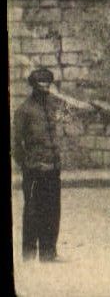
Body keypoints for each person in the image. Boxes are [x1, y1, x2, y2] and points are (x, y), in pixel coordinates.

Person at [12, 67, 63, 262]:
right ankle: (29, 254)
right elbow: (15, 143)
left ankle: (49, 252)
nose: (45, 90)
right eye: (41, 87)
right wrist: (26, 164)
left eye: (48, 86)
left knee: (52, 211)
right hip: (34, 170)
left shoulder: (52, 107)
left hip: (53, 169)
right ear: (33, 87)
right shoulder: (24, 110)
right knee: (33, 211)